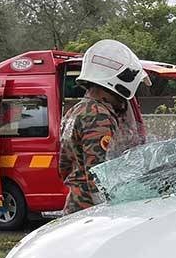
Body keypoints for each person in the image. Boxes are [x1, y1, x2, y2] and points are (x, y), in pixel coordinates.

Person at [58, 39, 146, 214]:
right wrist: (109, 214)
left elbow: (64, 166)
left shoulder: (76, 110)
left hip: (76, 204)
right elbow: (98, 175)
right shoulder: (98, 116)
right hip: (91, 211)